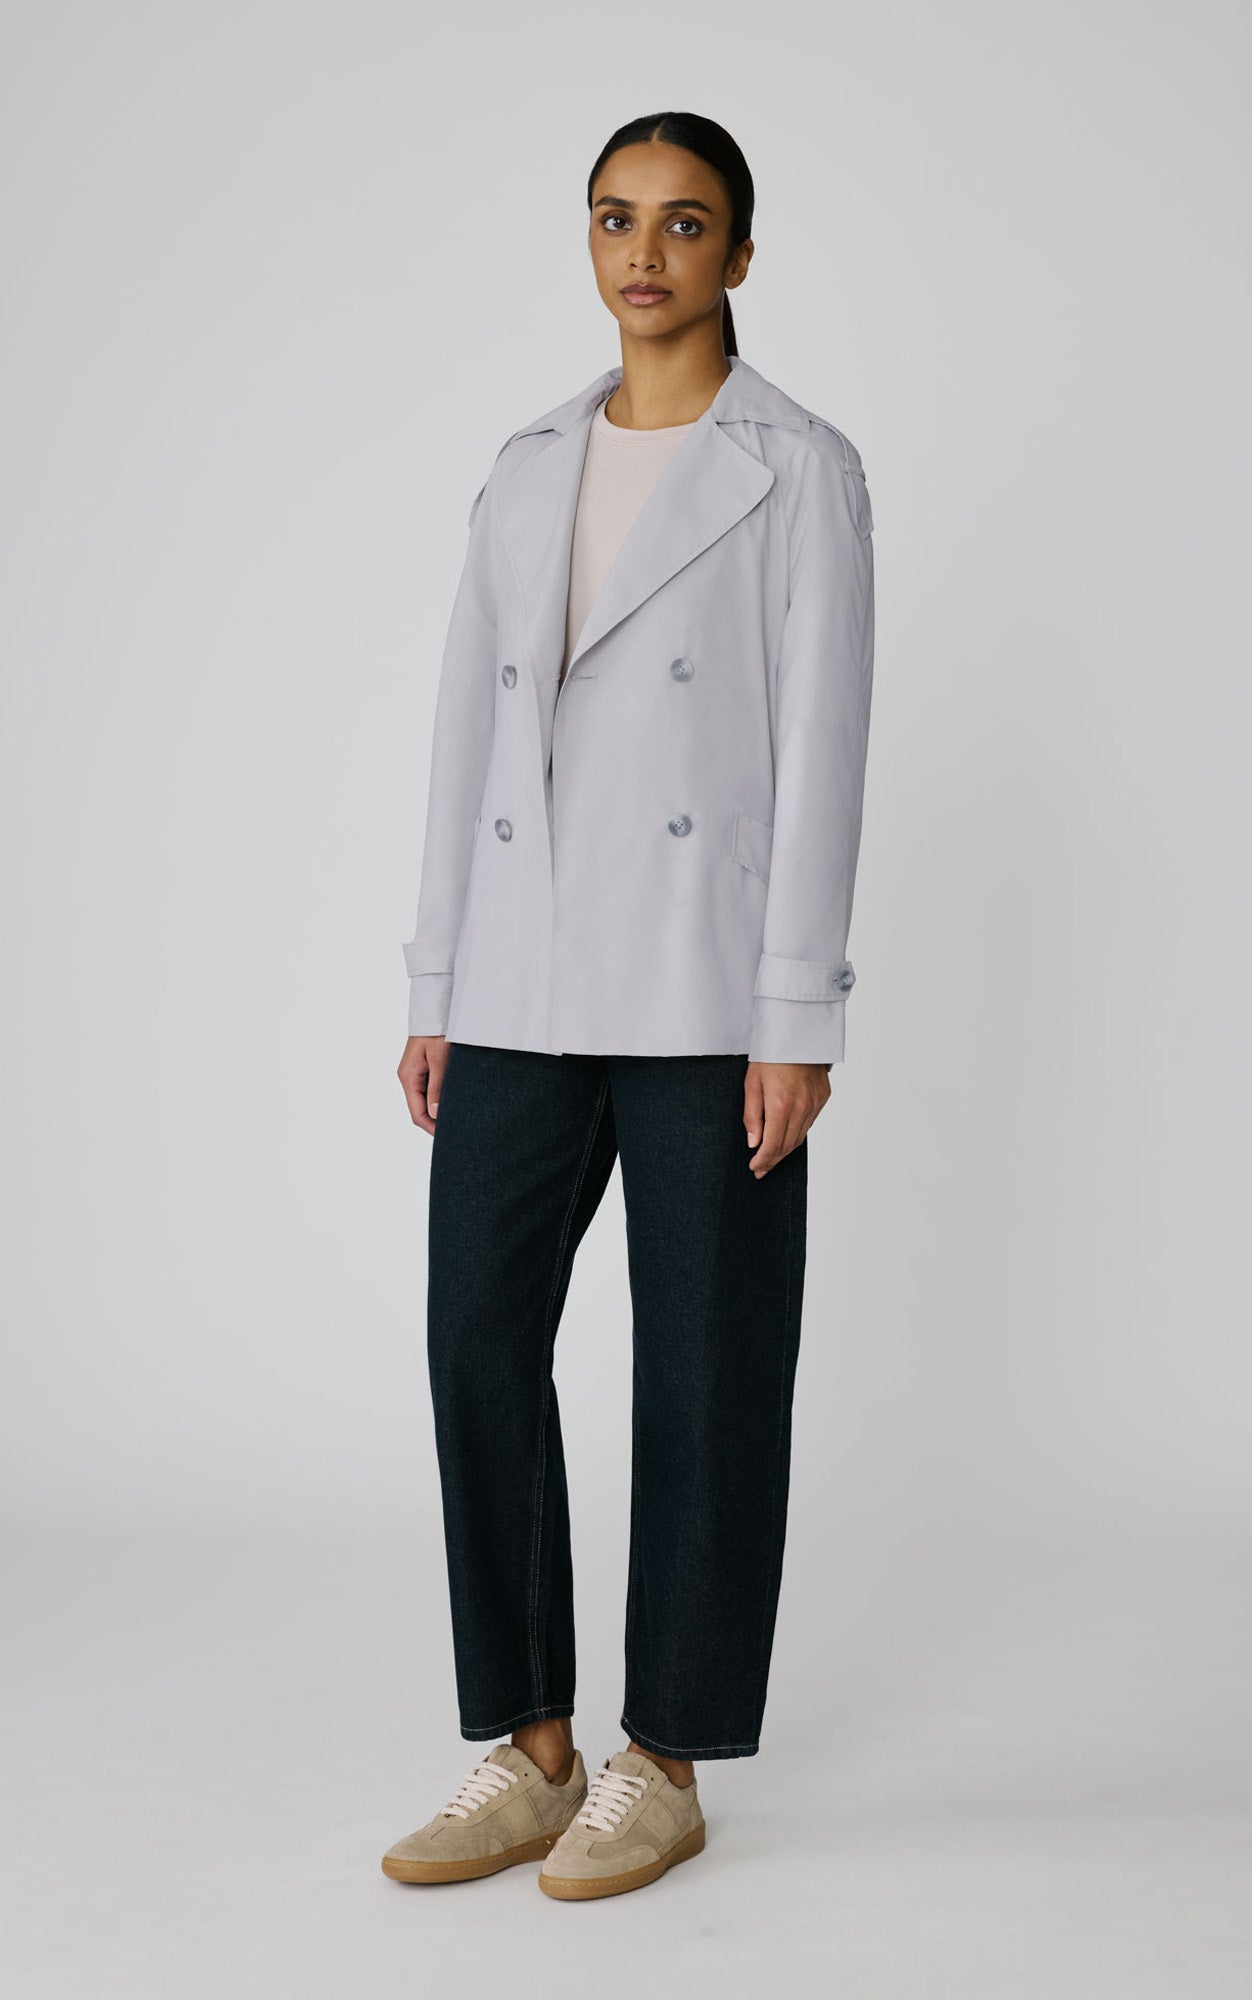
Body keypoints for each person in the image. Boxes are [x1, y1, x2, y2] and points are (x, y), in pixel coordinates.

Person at [384, 109, 876, 1901]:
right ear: (587, 242)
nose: (644, 252)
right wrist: (438, 978)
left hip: (703, 985)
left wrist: (796, 1012)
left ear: (739, 254)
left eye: (683, 222)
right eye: (615, 217)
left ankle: (662, 1759)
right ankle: (531, 1749)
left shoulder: (797, 467)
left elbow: (823, 743)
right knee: (477, 1339)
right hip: (522, 974)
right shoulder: (529, 464)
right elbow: (467, 731)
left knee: (709, 1370)